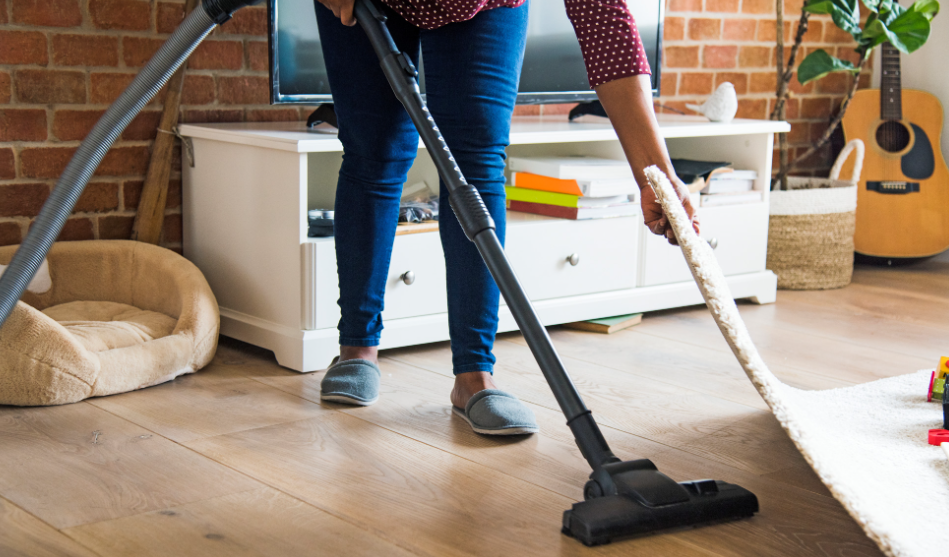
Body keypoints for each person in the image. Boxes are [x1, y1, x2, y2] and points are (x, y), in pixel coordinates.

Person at [315, 0, 700, 434]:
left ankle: (475, 375)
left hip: (484, 6)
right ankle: (357, 349)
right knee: (376, 152)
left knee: (474, 165)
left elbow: (606, 27)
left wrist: (656, 174)